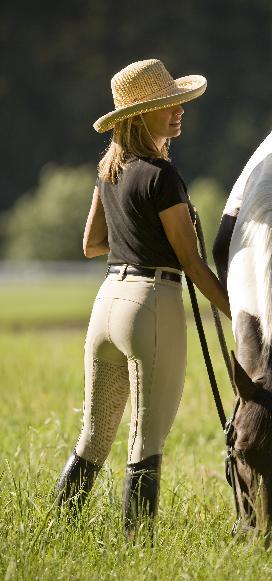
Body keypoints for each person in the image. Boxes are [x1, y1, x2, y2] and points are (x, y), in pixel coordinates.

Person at [55, 59, 230, 537]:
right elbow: (192, 265)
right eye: (166, 106)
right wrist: (237, 312)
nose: (178, 111)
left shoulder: (108, 171)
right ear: (140, 115)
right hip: (151, 306)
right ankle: (136, 551)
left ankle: (57, 532)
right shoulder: (163, 175)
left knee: (93, 438)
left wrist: (136, 234)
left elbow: (92, 245)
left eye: (178, 104)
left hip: (106, 305)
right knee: (145, 440)